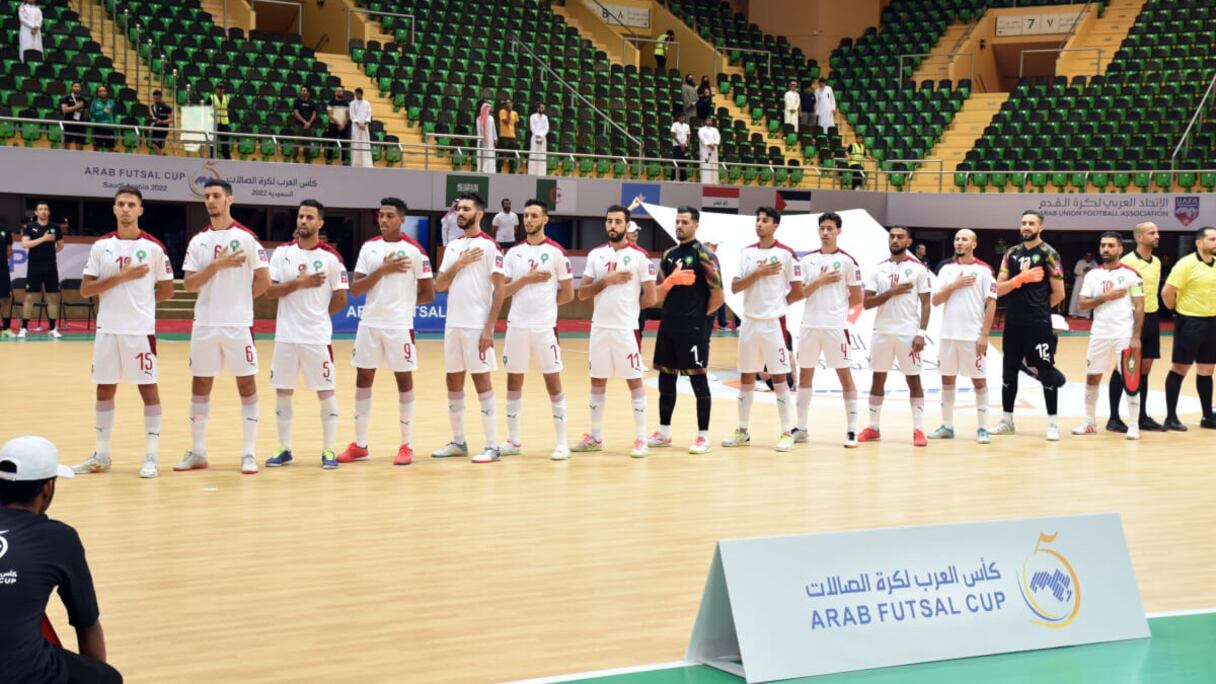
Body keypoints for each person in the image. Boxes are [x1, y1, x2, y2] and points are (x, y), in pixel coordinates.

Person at [0, 435, 123, 684]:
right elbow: (87, 624)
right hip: (23, 675)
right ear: (47, 487)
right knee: (107, 678)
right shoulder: (59, 538)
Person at [71, 186, 175, 477]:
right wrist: (121, 277)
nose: (126, 209)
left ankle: (151, 458)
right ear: (114, 209)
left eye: (132, 204)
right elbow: (85, 290)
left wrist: (140, 303)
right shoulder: (101, 246)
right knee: (104, 390)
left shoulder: (154, 248)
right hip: (107, 330)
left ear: (140, 210)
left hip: (139, 331)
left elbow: (166, 289)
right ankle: (102, 455)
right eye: (121, 204)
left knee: (148, 390)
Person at [177, 178, 271, 474]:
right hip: (204, 324)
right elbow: (190, 284)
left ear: (229, 199)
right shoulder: (198, 241)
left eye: (216, 195)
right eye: (207, 196)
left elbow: (264, 281)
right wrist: (216, 266)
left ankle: (248, 453)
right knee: (200, 385)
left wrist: (239, 300)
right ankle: (198, 452)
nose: (211, 201)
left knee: (246, 385)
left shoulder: (247, 238)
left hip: (237, 325)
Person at [338, 198, 434, 466]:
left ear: (401, 219)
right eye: (380, 215)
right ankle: (360, 444)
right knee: (363, 378)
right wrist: (382, 270)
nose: (383, 220)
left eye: (389, 216)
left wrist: (402, 303)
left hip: (400, 326)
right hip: (369, 324)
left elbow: (428, 294)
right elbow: (356, 289)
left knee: (403, 381)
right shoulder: (369, 248)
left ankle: (406, 445)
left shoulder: (415, 251)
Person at [263, 199, 349, 469]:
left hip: (316, 338)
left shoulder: (331, 258)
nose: (303, 221)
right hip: (286, 337)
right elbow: (270, 292)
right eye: (300, 216)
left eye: (310, 217)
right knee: (283, 393)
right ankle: (284, 449)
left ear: (320, 223)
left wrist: (318, 317)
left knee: (326, 392)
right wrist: (298, 283)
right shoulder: (281, 254)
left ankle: (329, 450)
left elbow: (341, 299)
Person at [572, 204, 657, 457]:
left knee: (634, 381)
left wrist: (630, 310)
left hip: (625, 330)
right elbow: (582, 294)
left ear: (627, 225)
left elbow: (651, 297)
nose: (612, 226)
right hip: (599, 328)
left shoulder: (640, 256)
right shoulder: (596, 255)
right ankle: (595, 436)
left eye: (618, 222)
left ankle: (641, 439)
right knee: (597, 381)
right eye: (609, 221)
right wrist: (605, 281)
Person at [432, 193, 507, 463]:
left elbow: (500, 291)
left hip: (476, 326)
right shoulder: (453, 246)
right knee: (452, 380)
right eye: (458, 208)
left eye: (466, 209)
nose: (460, 213)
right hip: (453, 324)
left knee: (482, 381)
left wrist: (489, 328)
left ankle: (492, 446)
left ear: (479, 214)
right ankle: (458, 441)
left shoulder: (491, 247)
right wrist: (459, 263)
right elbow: (439, 285)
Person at [499, 199, 575, 459]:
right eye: (526, 215)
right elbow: (503, 292)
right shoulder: (513, 254)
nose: (528, 220)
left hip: (544, 329)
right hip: (516, 326)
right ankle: (513, 440)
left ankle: (562, 442)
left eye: (534, 215)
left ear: (545, 219)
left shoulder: (556, 253)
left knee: (553, 382)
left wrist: (545, 306)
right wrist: (526, 280)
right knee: (513, 382)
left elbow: (568, 294)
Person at [647, 206, 723, 454]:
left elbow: (719, 296)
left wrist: (700, 320)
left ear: (696, 225)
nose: (679, 226)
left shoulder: (705, 255)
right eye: (677, 221)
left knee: (698, 380)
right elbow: (657, 293)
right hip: (668, 326)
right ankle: (664, 431)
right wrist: (670, 283)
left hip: (693, 329)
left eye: (685, 222)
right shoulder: (669, 254)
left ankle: (703, 436)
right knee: (665, 378)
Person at [721, 207, 798, 451]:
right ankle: (742, 430)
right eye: (758, 220)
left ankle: (787, 432)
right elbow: (734, 287)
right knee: (745, 377)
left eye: (765, 220)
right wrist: (758, 272)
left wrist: (779, 306)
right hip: (750, 322)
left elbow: (798, 290)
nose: (759, 224)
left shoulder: (786, 254)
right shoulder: (746, 254)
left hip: (773, 323)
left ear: (775, 225)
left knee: (779, 378)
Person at [789, 212, 863, 447]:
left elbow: (857, 298)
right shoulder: (808, 260)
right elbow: (799, 294)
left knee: (845, 377)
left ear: (838, 231)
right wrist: (819, 281)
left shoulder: (848, 261)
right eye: (822, 228)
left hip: (835, 327)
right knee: (805, 377)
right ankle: (801, 428)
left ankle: (852, 430)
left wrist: (836, 310)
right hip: (810, 325)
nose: (825, 232)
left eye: (830, 228)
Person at [994, 210, 1067, 440]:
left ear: (1041, 227)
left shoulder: (1049, 253)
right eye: (1024, 222)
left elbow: (1059, 293)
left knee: (1045, 369)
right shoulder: (1011, 253)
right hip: (1013, 322)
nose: (1026, 226)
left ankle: (1053, 423)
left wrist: (1038, 311)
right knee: (1009, 370)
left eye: (1031, 223)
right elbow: (998, 288)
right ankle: (1007, 420)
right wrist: (1019, 280)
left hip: (1038, 323)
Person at [858, 225, 933, 447]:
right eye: (892, 236)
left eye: (900, 237)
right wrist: (891, 292)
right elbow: (867, 303)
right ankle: (873, 427)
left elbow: (926, 302)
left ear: (909, 242)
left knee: (914, 379)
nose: (895, 240)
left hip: (908, 333)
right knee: (878, 379)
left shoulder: (919, 269)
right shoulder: (878, 269)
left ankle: (919, 430)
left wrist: (921, 333)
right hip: (882, 331)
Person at [1074, 232, 1144, 440]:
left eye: (1111, 245)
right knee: (1092, 376)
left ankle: (1133, 425)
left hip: (1124, 334)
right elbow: (1082, 304)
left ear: (1120, 249)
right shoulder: (1092, 275)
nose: (1106, 249)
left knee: (1130, 379)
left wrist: (1136, 337)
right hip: (1099, 334)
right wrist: (1105, 297)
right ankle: (1089, 422)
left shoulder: (1132, 274)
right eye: (1103, 245)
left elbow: (1140, 307)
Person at [929, 229, 997, 443]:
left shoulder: (984, 270)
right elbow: (936, 300)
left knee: (979, 381)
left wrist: (984, 335)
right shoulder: (946, 270)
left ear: (973, 244)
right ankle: (947, 426)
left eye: (964, 239)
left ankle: (983, 428)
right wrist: (954, 285)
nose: (959, 242)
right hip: (948, 335)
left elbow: (991, 302)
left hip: (972, 335)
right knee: (947, 380)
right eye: (957, 239)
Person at [1111, 221, 1166, 432]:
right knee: (1122, 366)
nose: (1157, 235)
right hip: (1130, 318)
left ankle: (1142, 416)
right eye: (1152, 233)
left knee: (1145, 368)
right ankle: (1114, 418)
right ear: (1139, 237)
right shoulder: (1127, 263)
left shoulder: (1157, 262)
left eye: (1157, 232)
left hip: (1151, 317)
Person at [1161, 225, 1216, 431]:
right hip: (1190, 322)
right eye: (1212, 239)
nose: (1215, 242)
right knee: (1180, 368)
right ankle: (1171, 417)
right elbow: (1167, 292)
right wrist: (1178, 311)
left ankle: (1207, 417)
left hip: (1212, 322)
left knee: (1207, 369)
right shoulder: (1186, 264)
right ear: (1199, 243)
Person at [19, 200, 63, 338]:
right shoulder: (30, 227)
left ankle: (52, 328)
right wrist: (43, 239)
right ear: (36, 212)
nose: (43, 211)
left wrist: (48, 253)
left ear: (48, 212)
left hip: (50, 266)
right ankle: (24, 328)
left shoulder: (55, 227)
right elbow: (25, 244)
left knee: (52, 297)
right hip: (34, 266)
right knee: (30, 296)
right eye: (41, 209)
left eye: (46, 209)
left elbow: (60, 245)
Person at [290, 86, 318, 160]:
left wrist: (309, 123)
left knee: (308, 145)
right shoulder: (297, 101)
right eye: (302, 90)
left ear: (308, 93)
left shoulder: (312, 102)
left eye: (304, 90)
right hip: (299, 126)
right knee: (296, 144)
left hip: (309, 127)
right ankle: (294, 159)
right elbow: (296, 113)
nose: (302, 92)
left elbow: (314, 114)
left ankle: (307, 161)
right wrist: (305, 122)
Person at [1068, 251, 1098, 318]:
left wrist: (1090, 270)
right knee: (1076, 297)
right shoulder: (1080, 262)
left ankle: (1085, 314)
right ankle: (1074, 313)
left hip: (1089, 282)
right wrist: (1083, 270)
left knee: (1087, 297)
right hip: (1079, 281)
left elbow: (1097, 273)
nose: (1089, 258)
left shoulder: (1094, 263)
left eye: (1090, 257)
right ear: (1085, 257)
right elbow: (1075, 271)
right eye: (1087, 256)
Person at [325, 86, 349, 165]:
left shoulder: (346, 103)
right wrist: (339, 123)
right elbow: (330, 114)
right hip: (333, 125)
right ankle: (329, 159)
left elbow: (347, 115)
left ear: (342, 93)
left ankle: (344, 160)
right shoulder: (331, 102)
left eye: (341, 91)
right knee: (331, 142)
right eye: (338, 91)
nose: (339, 93)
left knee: (344, 143)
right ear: (335, 92)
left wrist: (343, 124)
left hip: (343, 125)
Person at [60, 81, 87, 150]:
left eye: (78, 87)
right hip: (69, 124)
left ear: (80, 89)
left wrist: (83, 111)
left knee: (80, 146)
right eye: (75, 86)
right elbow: (64, 110)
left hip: (80, 125)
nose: (77, 88)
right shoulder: (66, 98)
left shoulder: (84, 100)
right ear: (72, 87)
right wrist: (76, 107)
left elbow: (85, 115)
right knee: (67, 144)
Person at [349, 87, 372, 168]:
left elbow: (369, 115)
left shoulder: (367, 103)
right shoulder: (352, 103)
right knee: (355, 144)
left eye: (358, 93)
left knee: (365, 144)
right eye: (355, 93)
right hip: (356, 127)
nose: (356, 95)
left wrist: (365, 124)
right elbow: (352, 115)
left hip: (364, 127)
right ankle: (355, 163)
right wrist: (358, 124)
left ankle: (366, 163)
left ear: (361, 94)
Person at [89, 85, 115, 151]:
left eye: (104, 91)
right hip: (98, 128)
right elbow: (93, 115)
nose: (102, 92)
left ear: (106, 92)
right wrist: (103, 112)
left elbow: (114, 114)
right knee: (96, 148)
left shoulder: (112, 102)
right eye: (100, 91)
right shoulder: (94, 102)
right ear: (98, 93)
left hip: (109, 128)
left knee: (111, 148)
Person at [210, 83, 231, 159]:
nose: (220, 90)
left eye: (221, 89)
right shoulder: (211, 98)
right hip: (214, 123)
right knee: (212, 142)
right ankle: (211, 157)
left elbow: (229, 109)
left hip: (224, 123)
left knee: (225, 143)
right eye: (218, 88)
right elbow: (206, 108)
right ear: (215, 89)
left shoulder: (227, 98)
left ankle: (227, 157)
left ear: (224, 90)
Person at [527, 103, 549, 176]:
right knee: (534, 154)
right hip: (534, 137)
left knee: (542, 155)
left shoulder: (545, 117)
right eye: (541, 108)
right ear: (538, 108)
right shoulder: (532, 116)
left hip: (543, 138)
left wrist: (542, 136)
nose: (542, 109)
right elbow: (532, 127)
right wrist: (537, 135)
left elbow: (546, 128)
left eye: (543, 108)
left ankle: (541, 173)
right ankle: (532, 172)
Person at [148, 89, 172, 155]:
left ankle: (161, 157)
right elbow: (154, 117)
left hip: (163, 129)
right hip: (155, 128)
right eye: (154, 98)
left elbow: (171, 120)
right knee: (154, 145)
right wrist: (152, 125)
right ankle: (162, 156)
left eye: (156, 98)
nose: (155, 100)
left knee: (156, 145)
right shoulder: (152, 107)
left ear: (160, 97)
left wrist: (162, 122)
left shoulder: (167, 107)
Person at [475, 102, 497, 174]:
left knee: (489, 155)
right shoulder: (478, 119)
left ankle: (490, 171)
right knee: (482, 156)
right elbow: (479, 131)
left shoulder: (491, 118)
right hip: (481, 140)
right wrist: (480, 140)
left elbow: (493, 130)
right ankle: (481, 170)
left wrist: (495, 139)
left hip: (490, 141)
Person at [498, 99, 519, 173]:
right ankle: (498, 170)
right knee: (502, 154)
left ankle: (511, 170)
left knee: (512, 155)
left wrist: (513, 132)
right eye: (507, 104)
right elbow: (506, 122)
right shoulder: (502, 112)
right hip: (503, 136)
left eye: (510, 103)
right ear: (505, 105)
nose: (509, 105)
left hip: (512, 136)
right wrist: (509, 113)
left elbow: (516, 124)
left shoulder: (515, 113)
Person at [698, 115, 720, 184]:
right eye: (708, 120)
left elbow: (718, 138)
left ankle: (714, 182)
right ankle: (705, 182)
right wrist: (710, 145)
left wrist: (715, 144)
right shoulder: (701, 129)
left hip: (714, 150)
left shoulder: (715, 130)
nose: (709, 122)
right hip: (705, 151)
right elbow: (702, 139)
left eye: (710, 120)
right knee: (706, 165)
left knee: (714, 165)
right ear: (705, 122)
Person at [670, 111, 691, 181]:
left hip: (685, 146)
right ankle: (673, 178)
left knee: (683, 163)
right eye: (681, 117)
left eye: (683, 117)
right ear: (678, 118)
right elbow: (673, 135)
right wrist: (680, 144)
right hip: (677, 146)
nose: (682, 118)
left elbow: (688, 135)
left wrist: (685, 144)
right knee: (676, 162)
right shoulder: (675, 125)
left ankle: (683, 179)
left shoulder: (687, 126)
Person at [0, 220, 12, 336]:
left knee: (5, 299)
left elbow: (9, 251)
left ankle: (6, 327)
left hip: (3, 269)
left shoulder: (5, 231)